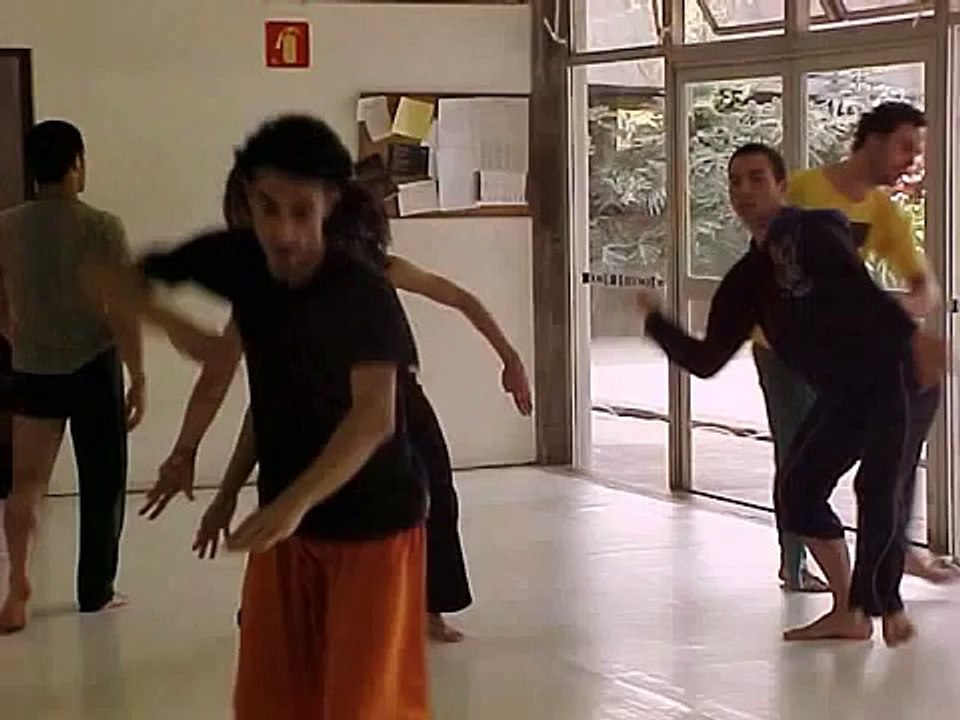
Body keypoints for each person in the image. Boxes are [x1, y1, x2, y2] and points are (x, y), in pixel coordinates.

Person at [94, 115, 431, 718]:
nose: (285, 232)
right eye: (268, 208)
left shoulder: (360, 295)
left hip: (372, 529)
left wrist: (290, 503)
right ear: (247, 198)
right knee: (271, 699)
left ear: (330, 205)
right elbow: (107, 277)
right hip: (285, 526)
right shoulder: (238, 261)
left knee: (361, 706)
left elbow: (373, 419)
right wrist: (180, 332)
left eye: (302, 212)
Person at [141, 165, 532, 643]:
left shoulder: (367, 270)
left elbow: (457, 297)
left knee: (435, 499)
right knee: (303, 510)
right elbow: (227, 380)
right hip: (324, 412)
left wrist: (510, 358)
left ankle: (428, 606)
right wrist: (190, 454)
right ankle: (281, 614)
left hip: (398, 401)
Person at [637, 143, 944, 646]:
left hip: (898, 376)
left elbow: (858, 289)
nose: (745, 191)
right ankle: (850, 611)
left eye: (758, 178)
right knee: (797, 490)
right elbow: (707, 359)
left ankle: (885, 605)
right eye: (736, 181)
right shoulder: (746, 281)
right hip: (846, 393)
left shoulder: (817, 230)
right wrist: (656, 322)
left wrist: (914, 337)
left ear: (783, 186)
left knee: (881, 485)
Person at [752, 101, 954, 590]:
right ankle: (796, 563)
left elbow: (924, 288)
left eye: (919, 151)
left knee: (894, 439)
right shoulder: (802, 191)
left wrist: (896, 310)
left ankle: (893, 550)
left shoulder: (883, 211)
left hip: (839, 355)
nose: (912, 160)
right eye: (906, 146)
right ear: (873, 140)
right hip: (783, 349)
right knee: (796, 453)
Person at [0, 120, 146, 633]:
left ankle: (17, 581)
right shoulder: (102, 226)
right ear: (76, 164)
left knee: (27, 484)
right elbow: (125, 308)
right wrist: (139, 376)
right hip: (92, 366)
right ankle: (95, 591)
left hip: (33, 365)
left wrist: (13, 332)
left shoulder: (7, 226)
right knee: (102, 485)